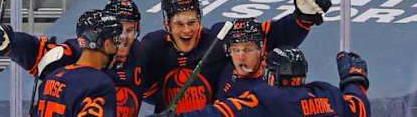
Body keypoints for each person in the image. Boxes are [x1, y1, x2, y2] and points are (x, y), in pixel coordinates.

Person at [141, 0, 331, 114]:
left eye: (192, 22)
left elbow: (273, 36)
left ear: (200, 18)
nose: (186, 30)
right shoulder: (153, 46)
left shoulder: (220, 37)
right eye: (179, 24)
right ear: (166, 23)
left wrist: (302, 17)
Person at [0, 0, 149, 117]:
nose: (123, 38)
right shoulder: (80, 54)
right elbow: (40, 53)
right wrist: (12, 43)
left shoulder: (141, 53)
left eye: (130, 30)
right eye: (118, 32)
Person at [151, 47, 370, 117]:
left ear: (272, 75)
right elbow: (359, 106)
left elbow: (221, 113)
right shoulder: (326, 93)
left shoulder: (267, 97)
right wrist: (354, 78)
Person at [32, 9, 121, 116]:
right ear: (106, 45)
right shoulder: (100, 84)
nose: (118, 47)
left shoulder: (52, 78)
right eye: (115, 41)